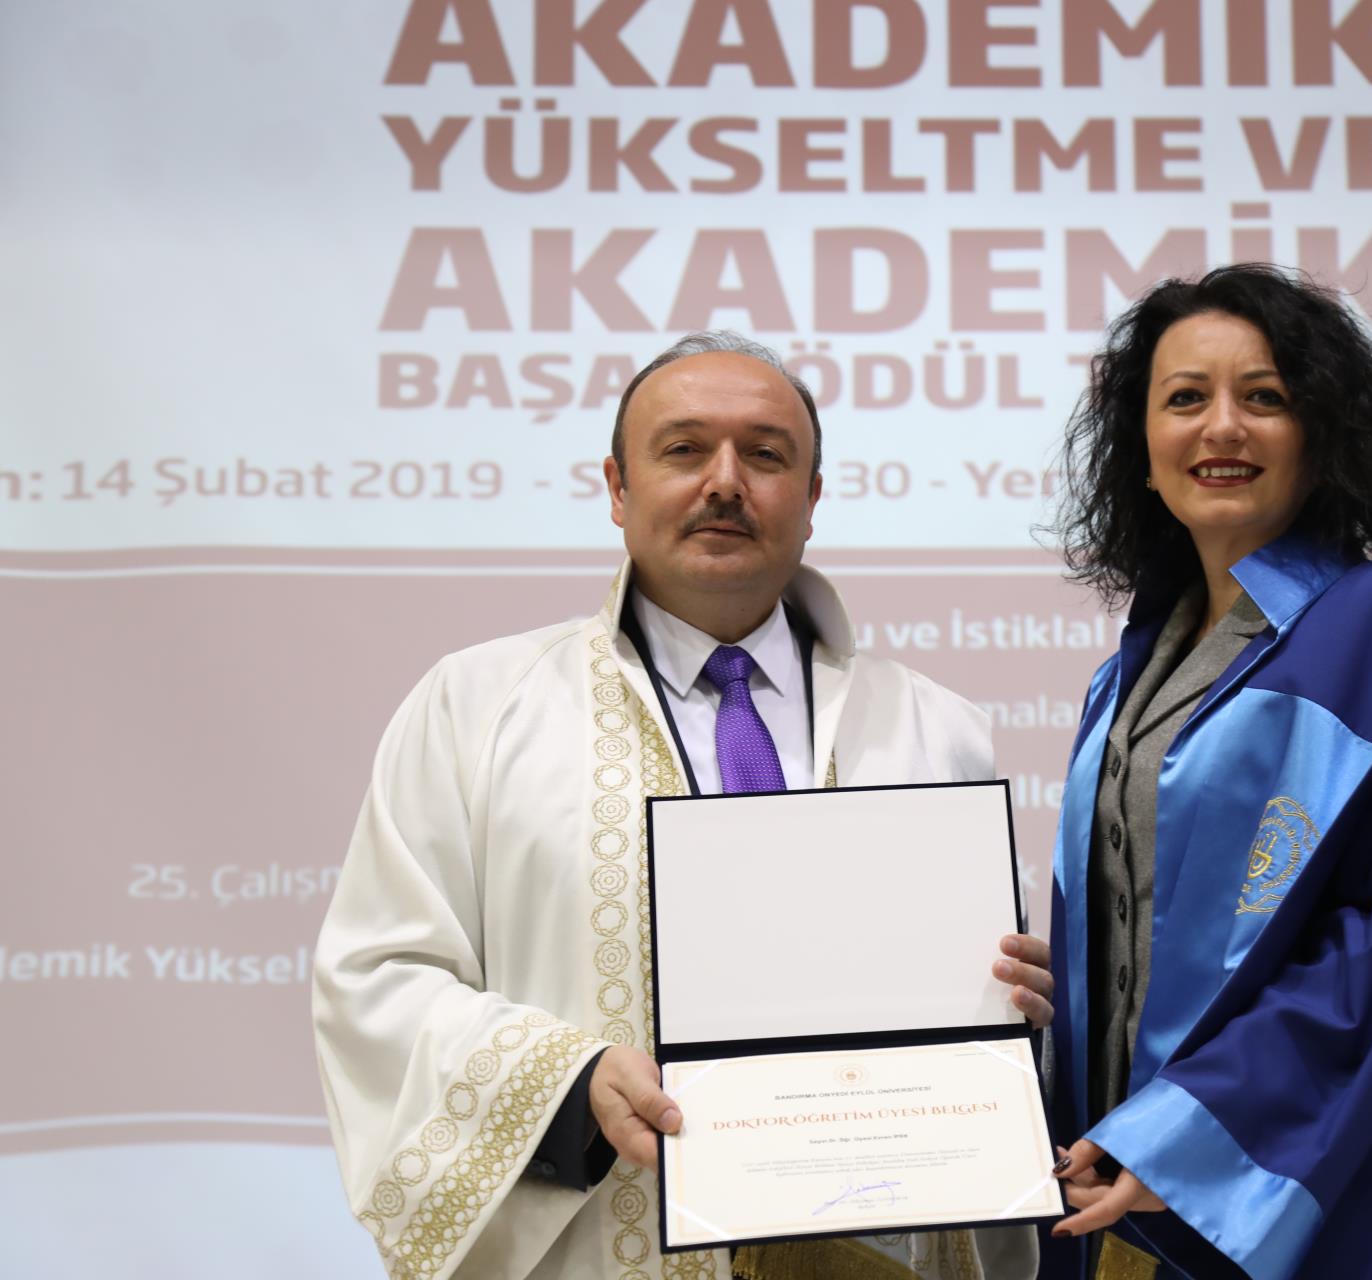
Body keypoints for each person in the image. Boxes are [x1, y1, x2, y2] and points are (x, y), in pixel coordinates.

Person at [313, 332, 1051, 1280]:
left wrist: (1013, 1009)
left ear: (813, 499)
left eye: (766, 455)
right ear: (618, 489)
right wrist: (569, 1083)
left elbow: (981, 1021)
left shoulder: (932, 727)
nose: (725, 482)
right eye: (684, 449)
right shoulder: (478, 707)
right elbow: (377, 978)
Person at [1038, 264, 1372, 1279]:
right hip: (1146, 1188)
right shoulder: (1126, 677)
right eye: (1185, 398)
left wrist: (1189, 1133)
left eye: (1264, 397)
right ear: (1143, 449)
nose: (1222, 426)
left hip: (1357, 1187)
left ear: (1323, 438)